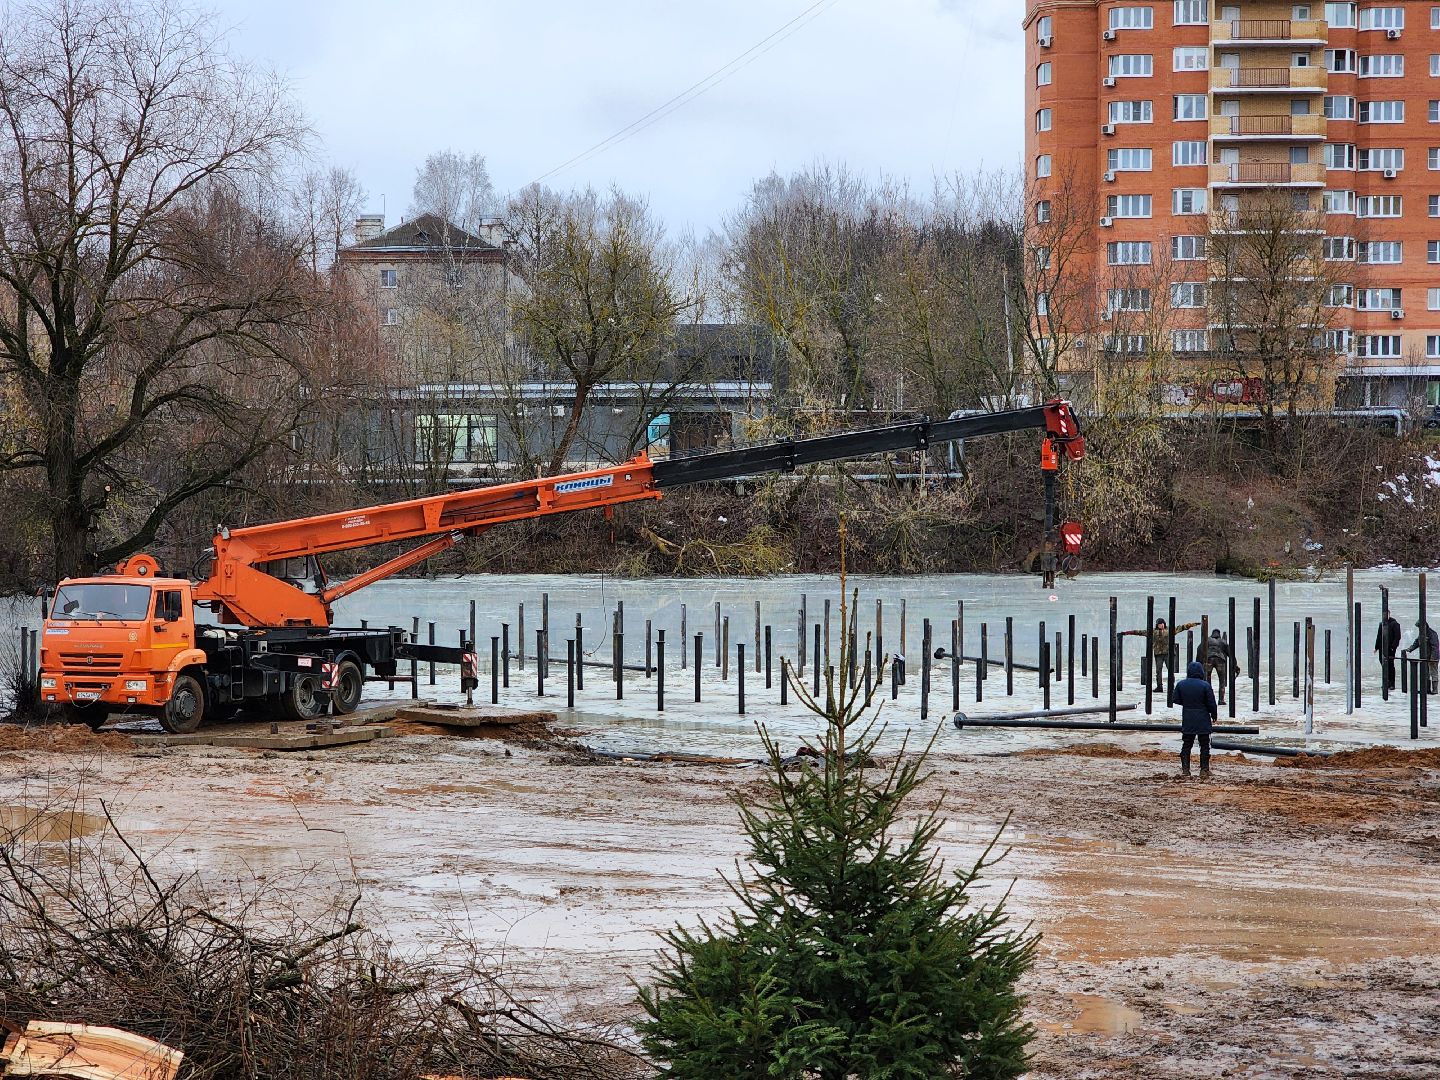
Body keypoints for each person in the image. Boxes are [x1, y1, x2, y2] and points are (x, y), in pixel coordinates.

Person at [1120, 618, 1199, 689]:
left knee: (1170, 671)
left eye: (1162, 624)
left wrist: (1193, 624)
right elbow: (1140, 632)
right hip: (1158, 654)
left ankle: (1171, 686)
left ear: (1164, 624)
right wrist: (1127, 633)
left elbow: (1182, 627)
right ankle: (1159, 686)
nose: (1161, 625)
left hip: (1169, 653)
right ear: (1157, 625)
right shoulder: (1153, 632)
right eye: (1159, 624)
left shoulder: (1170, 630)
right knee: (1158, 671)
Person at [1171, 660, 1217, 777]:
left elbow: (1175, 699)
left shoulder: (1181, 684)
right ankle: (1204, 769)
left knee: (1187, 744)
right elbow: (1211, 703)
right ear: (1201, 672)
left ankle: (1186, 770)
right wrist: (1214, 715)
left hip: (1188, 718)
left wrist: (1187, 704)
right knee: (1204, 745)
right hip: (1203, 719)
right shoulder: (1205, 685)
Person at [1401, 620, 1440, 695]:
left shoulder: (1432, 633)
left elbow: (1435, 647)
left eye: (1419, 627)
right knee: (1426, 673)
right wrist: (1410, 649)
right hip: (1425, 657)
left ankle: (1435, 690)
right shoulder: (1422, 634)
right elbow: (1417, 643)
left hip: (1432, 657)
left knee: (1433, 673)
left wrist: (1433, 658)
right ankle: (1426, 689)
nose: (1419, 629)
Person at [1198, 629, 1235, 704]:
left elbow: (1199, 650)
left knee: (1207, 681)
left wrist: (1198, 663)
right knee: (1222, 681)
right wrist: (1235, 664)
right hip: (1220, 660)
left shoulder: (1206, 640)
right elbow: (1231, 654)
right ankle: (1221, 700)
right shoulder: (1222, 641)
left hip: (1209, 660)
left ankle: (1208, 699)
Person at [1375, 612, 1402, 694]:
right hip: (1381, 648)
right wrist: (1376, 647)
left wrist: (1393, 647)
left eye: (1386, 614)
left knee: (1390, 665)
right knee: (1383, 663)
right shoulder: (1381, 624)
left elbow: (1397, 636)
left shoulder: (1394, 624)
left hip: (1390, 648)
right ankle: (1386, 682)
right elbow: (1379, 636)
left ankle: (1391, 683)